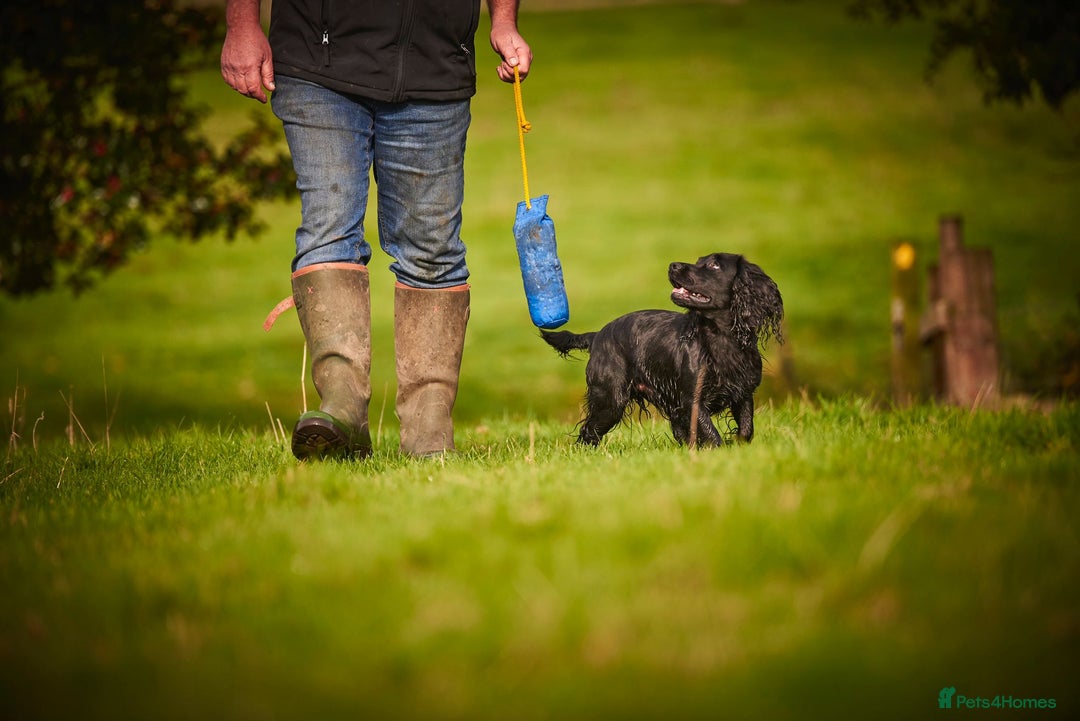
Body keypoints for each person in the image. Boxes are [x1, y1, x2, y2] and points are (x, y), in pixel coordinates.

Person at [221, 0, 532, 461]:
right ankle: (342, 408)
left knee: (434, 252)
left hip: (436, 65)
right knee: (328, 231)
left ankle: (429, 433)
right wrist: (242, 22)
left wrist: (504, 21)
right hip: (317, 59)